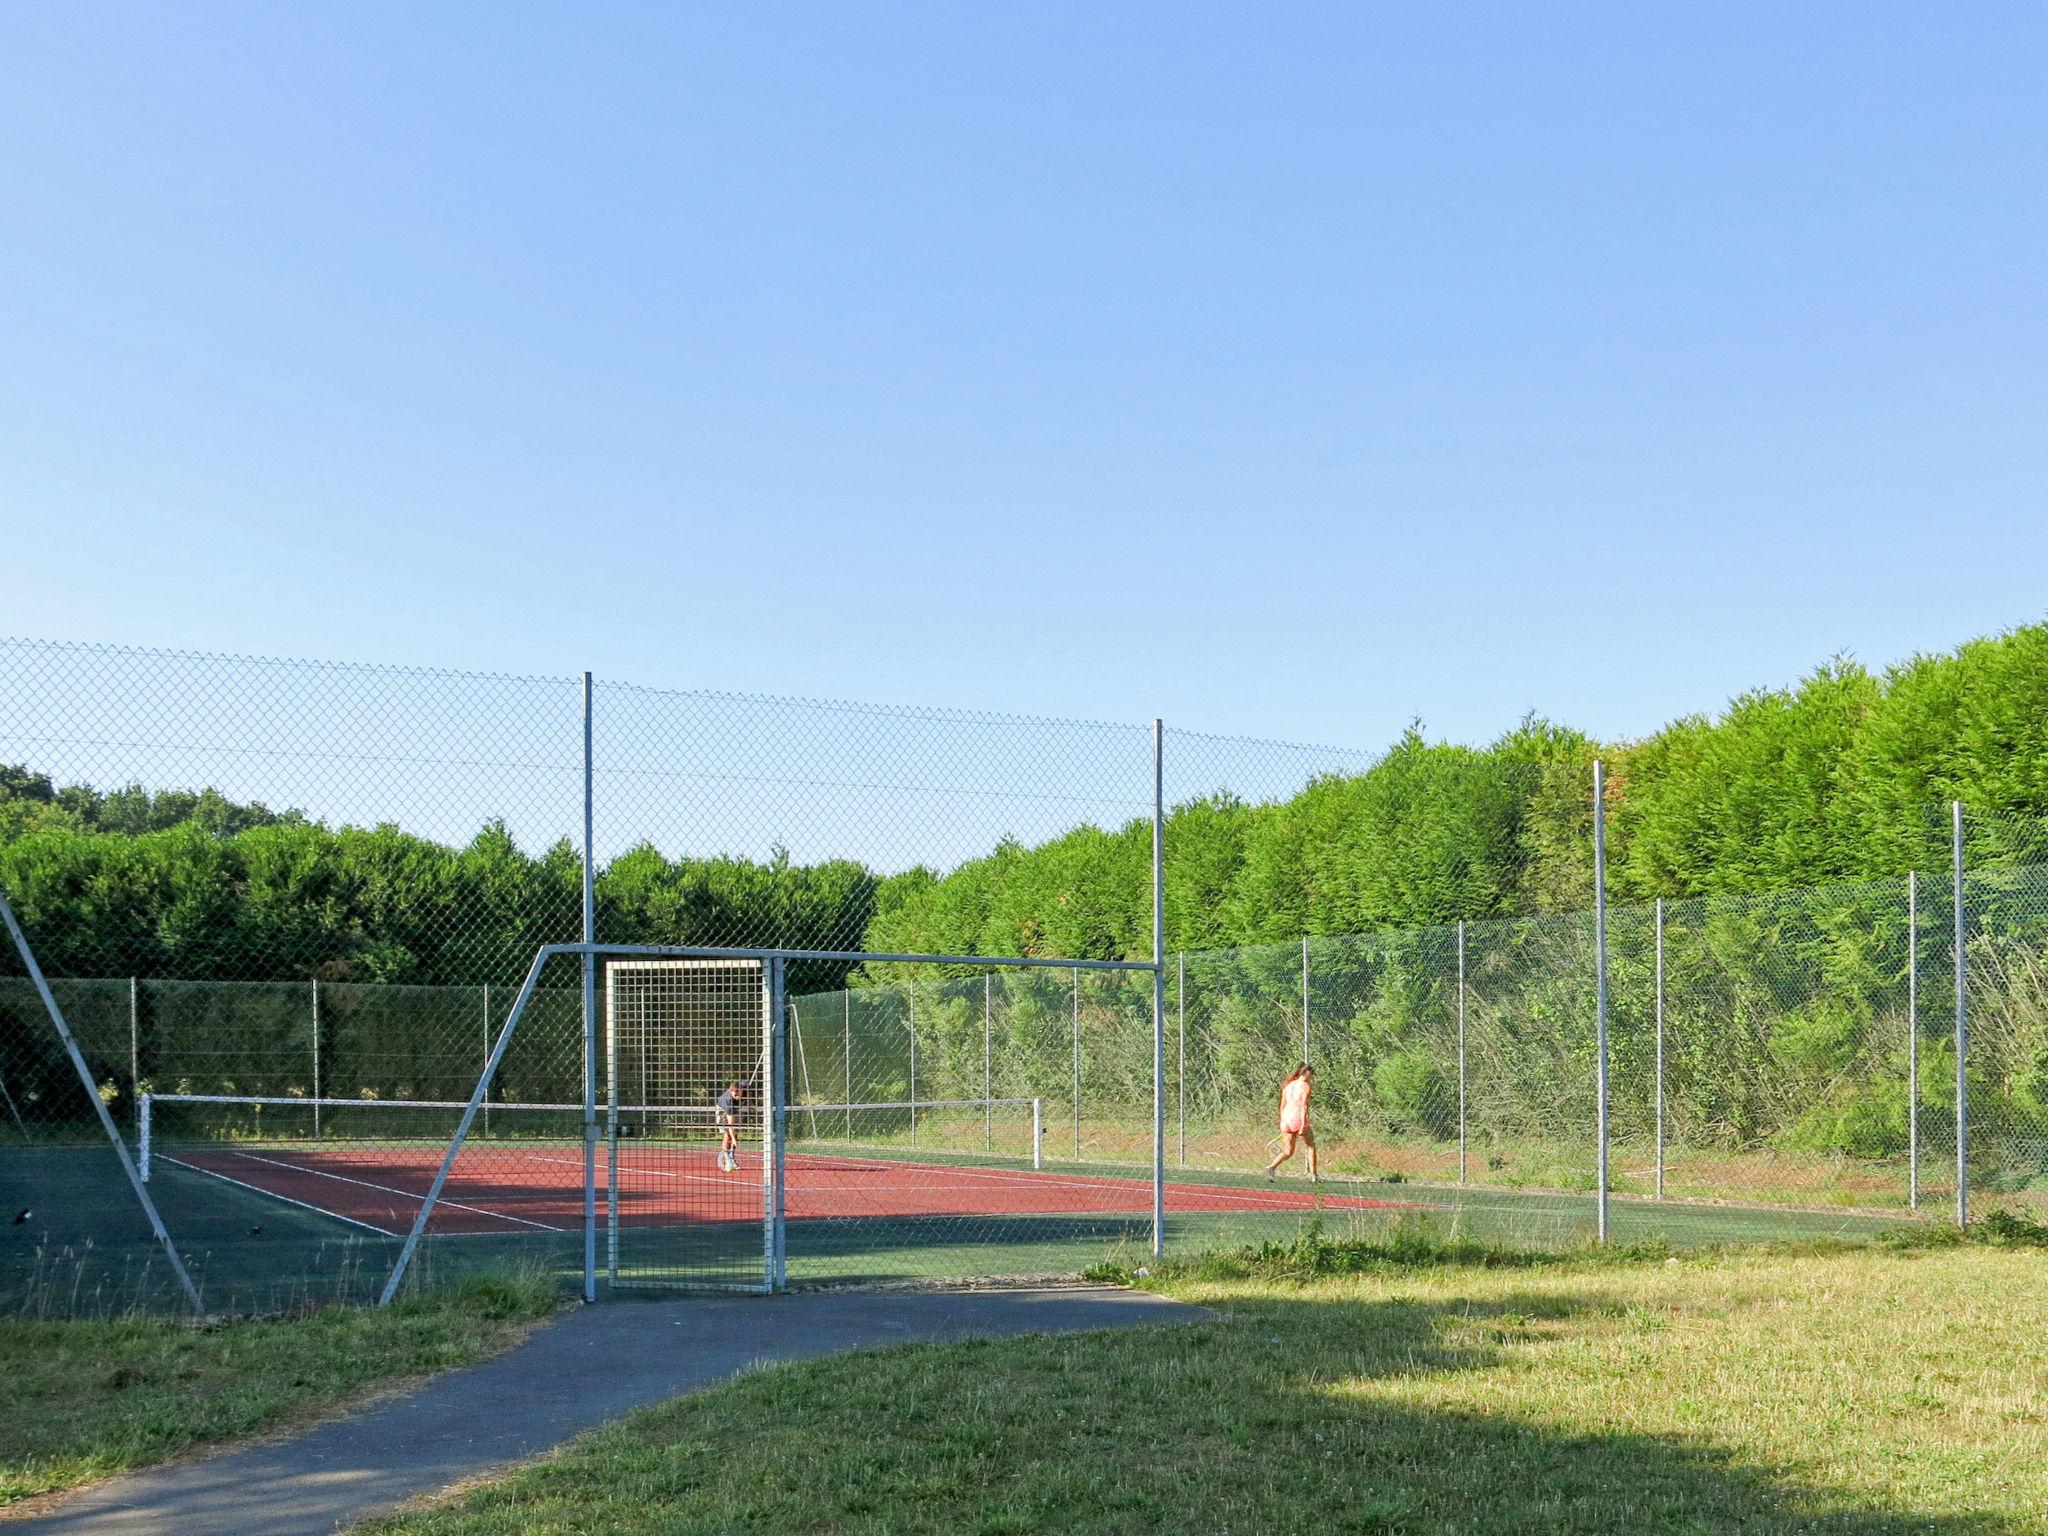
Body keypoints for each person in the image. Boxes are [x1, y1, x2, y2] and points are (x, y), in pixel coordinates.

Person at [1263, 1064, 1317, 1181]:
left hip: (1286, 1120)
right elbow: (1303, 1106)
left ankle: (1271, 1167)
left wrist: (1282, 1121)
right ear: (1306, 1073)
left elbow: (1282, 1106)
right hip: (1298, 1119)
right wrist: (1302, 1124)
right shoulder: (1305, 1086)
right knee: (1310, 1146)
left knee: (1288, 1151)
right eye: (1311, 1074)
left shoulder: (1288, 1086)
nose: (1311, 1077)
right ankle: (1313, 1175)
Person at [715, 1081, 745, 1173]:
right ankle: (727, 1160)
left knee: (735, 1133)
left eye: (738, 1092)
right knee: (728, 1134)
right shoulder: (728, 1101)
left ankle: (732, 1158)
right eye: (734, 1092)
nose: (737, 1094)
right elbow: (730, 1124)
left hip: (736, 1108)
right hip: (722, 1110)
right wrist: (733, 1139)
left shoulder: (746, 1088)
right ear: (731, 1091)